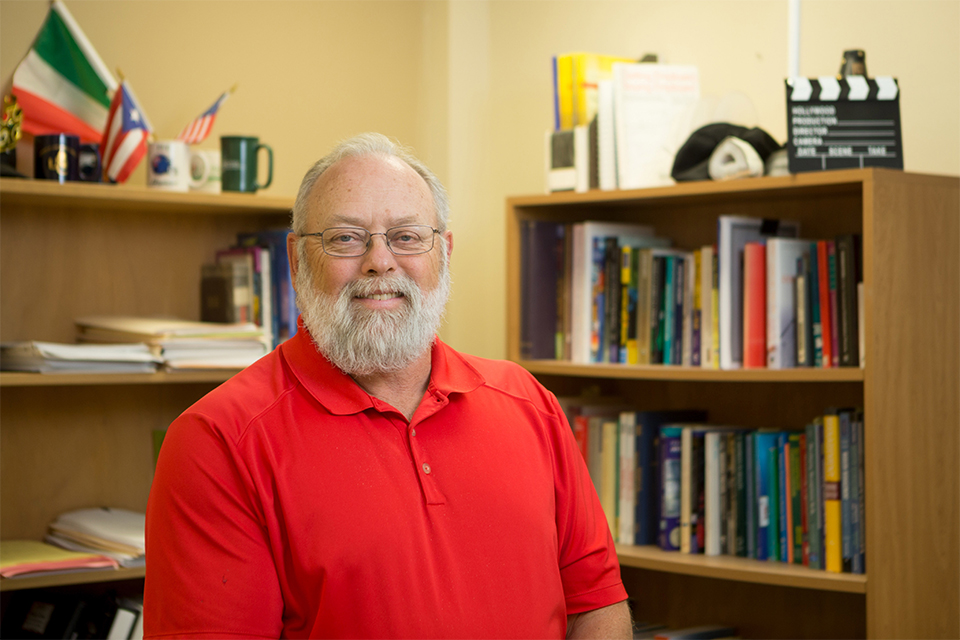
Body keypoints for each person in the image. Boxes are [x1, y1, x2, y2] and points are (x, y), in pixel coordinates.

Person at [144, 133, 631, 639]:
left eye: (406, 236)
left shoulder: (530, 403)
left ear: (443, 252)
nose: (380, 261)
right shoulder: (217, 441)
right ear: (296, 260)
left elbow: (596, 605)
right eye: (346, 238)